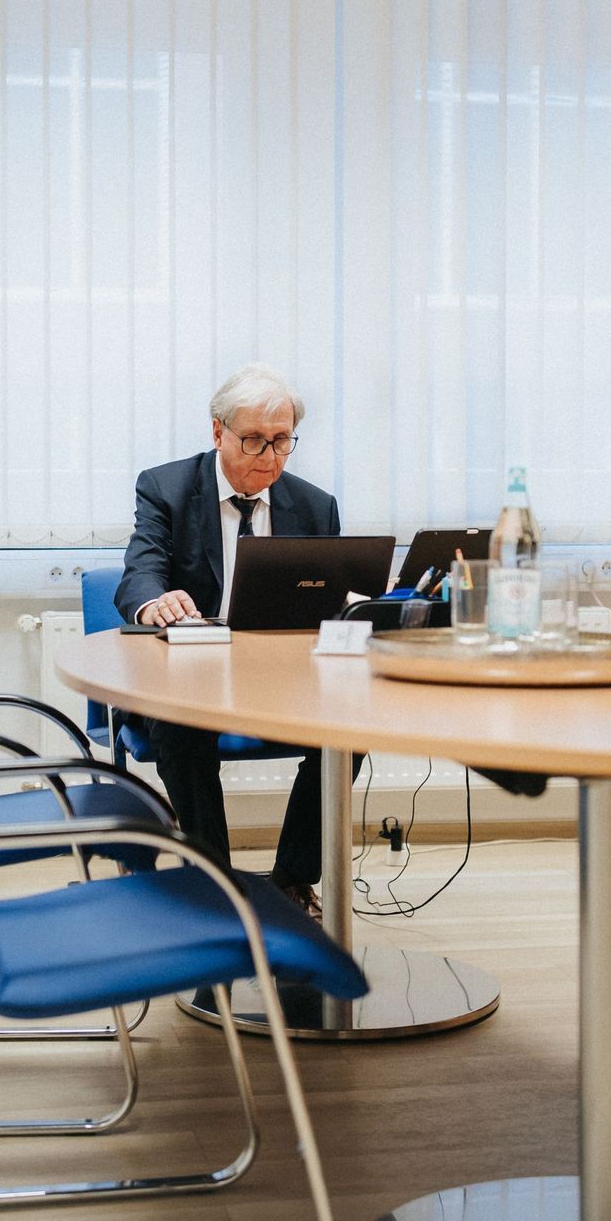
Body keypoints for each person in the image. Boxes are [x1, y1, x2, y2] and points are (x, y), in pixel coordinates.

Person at [114, 364, 355, 918]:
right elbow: (140, 573)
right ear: (218, 431)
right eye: (253, 440)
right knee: (179, 728)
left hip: (282, 678)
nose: (269, 456)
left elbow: (331, 600)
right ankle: (215, 884)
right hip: (189, 678)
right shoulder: (167, 488)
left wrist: (362, 603)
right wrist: (156, 603)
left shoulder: (315, 506)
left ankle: (293, 879)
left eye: (282, 440)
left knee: (348, 734)